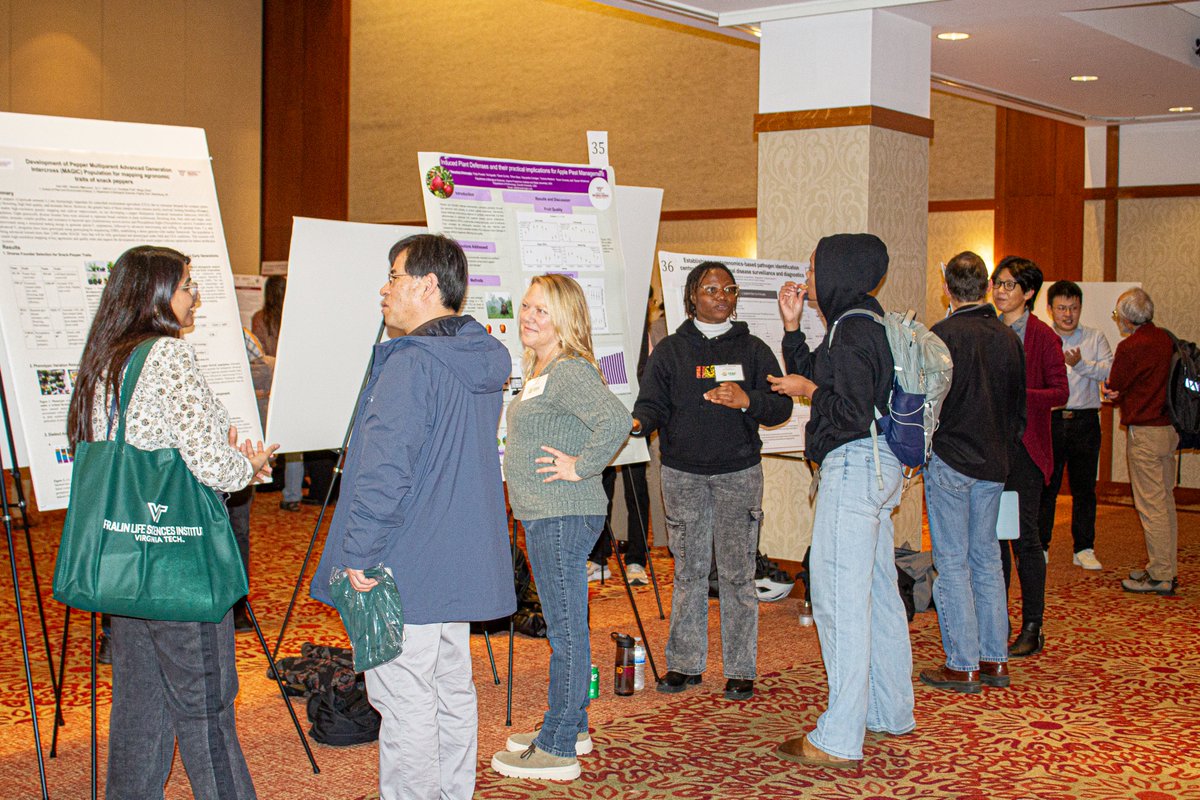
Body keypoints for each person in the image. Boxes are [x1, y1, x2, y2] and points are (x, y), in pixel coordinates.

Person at [310, 234, 516, 800]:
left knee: (403, 702)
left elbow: (383, 474)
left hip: (402, 563)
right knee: (450, 689)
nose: (384, 288)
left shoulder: (411, 365)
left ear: (427, 286)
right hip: (454, 559)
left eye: (393, 275)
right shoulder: (478, 358)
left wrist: (358, 556)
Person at [67, 245, 276, 800]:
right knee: (205, 707)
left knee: (138, 707)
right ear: (156, 294)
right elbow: (211, 464)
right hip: (178, 561)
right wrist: (249, 465)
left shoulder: (103, 359)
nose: (196, 297)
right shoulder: (167, 356)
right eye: (188, 285)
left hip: (127, 561)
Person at [767, 233, 913, 770]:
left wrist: (808, 393)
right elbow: (820, 375)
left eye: (813, 269)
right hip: (880, 469)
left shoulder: (851, 331)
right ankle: (890, 709)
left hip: (853, 469)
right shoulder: (867, 321)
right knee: (878, 594)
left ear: (838, 270)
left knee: (838, 603)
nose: (808, 280)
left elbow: (844, 408)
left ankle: (839, 735)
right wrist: (790, 328)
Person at [491, 274, 631, 781]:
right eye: (527, 307)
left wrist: (581, 465)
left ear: (565, 319)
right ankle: (570, 726)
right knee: (566, 625)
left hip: (561, 512)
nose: (528, 317)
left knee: (566, 630)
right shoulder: (541, 370)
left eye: (542, 311)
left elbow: (617, 421)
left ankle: (557, 746)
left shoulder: (569, 370)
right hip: (548, 512)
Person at [631, 261, 792, 702]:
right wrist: (637, 424)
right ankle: (685, 663)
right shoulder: (671, 351)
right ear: (691, 297)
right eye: (711, 289)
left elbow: (781, 409)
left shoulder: (754, 350)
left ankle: (741, 668)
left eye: (729, 290)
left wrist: (748, 400)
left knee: (739, 575)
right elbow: (652, 405)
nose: (722, 297)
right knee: (689, 572)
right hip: (682, 474)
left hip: (738, 474)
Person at [919, 251, 1026, 695]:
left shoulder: (939, 337)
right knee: (987, 560)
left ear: (947, 288)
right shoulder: (1008, 337)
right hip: (995, 461)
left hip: (950, 459)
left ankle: (962, 663)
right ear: (986, 288)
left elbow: (927, 405)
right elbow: (1019, 409)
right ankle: (994, 659)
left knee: (952, 562)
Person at [990, 257, 1067, 657]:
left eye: (1008, 285)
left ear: (1029, 292)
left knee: (1024, 540)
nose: (1000, 292)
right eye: (997, 284)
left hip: (1026, 450)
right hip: (989, 449)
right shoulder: (987, 328)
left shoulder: (1042, 336)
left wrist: (1019, 395)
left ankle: (1032, 626)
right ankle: (995, 622)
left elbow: (1060, 392)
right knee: (993, 541)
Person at [1104, 288, 1179, 595]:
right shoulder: (1166, 338)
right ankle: (1165, 567)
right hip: (1169, 430)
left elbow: (1115, 385)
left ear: (1126, 318)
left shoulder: (1131, 346)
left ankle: (1160, 573)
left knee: (1150, 506)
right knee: (1165, 501)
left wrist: (1111, 392)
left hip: (1146, 432)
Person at [1038, 281, 1112, 570]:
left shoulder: (1094, 337)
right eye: (1062, 308)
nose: (1068, 314)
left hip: (1085, 420)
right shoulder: (1043, 338)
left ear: (1080, 308)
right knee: (1048, 487)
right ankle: (1040, 545)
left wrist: (1082, 365)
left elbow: (1108, 368)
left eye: (1073, 308)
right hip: (1051, 420)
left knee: (1085, 489)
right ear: (1051, 309)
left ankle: (1084, 548)